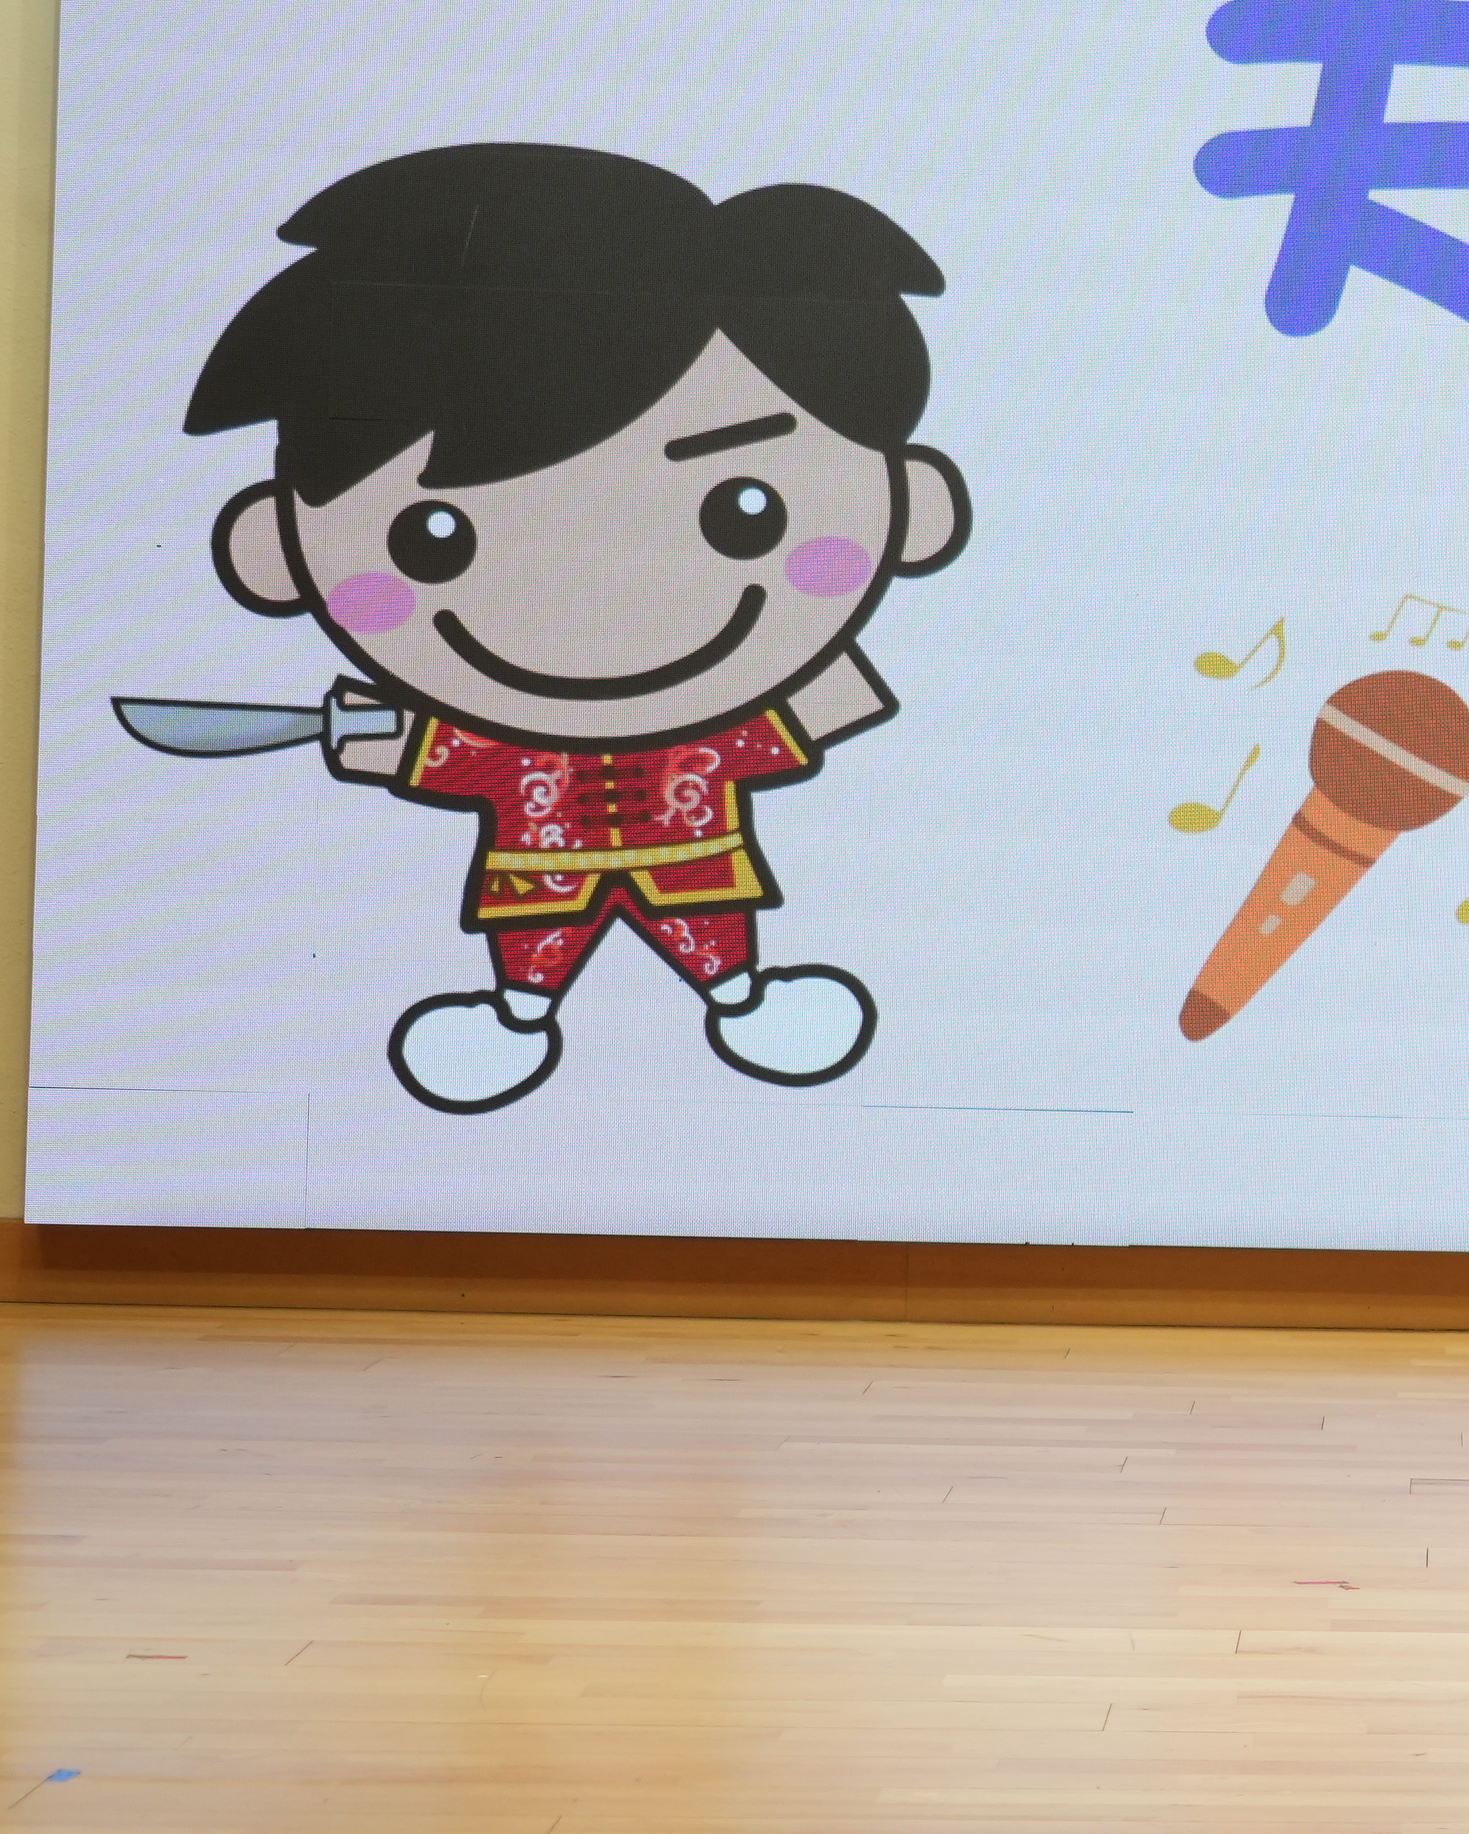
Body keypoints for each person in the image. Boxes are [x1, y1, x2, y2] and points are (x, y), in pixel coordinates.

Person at [180, 142, 972, 1113]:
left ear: (916, 510)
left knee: (715, 943)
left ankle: (740, 999)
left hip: (696, 863)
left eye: (746, 512)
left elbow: (816, 709)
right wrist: (366, 736)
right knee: (532, 958)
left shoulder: (721, 731)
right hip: (536, 874)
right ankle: (517, 1018)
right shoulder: (497, 749)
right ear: (274, 551)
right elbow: (428, 749)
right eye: (433, 539)